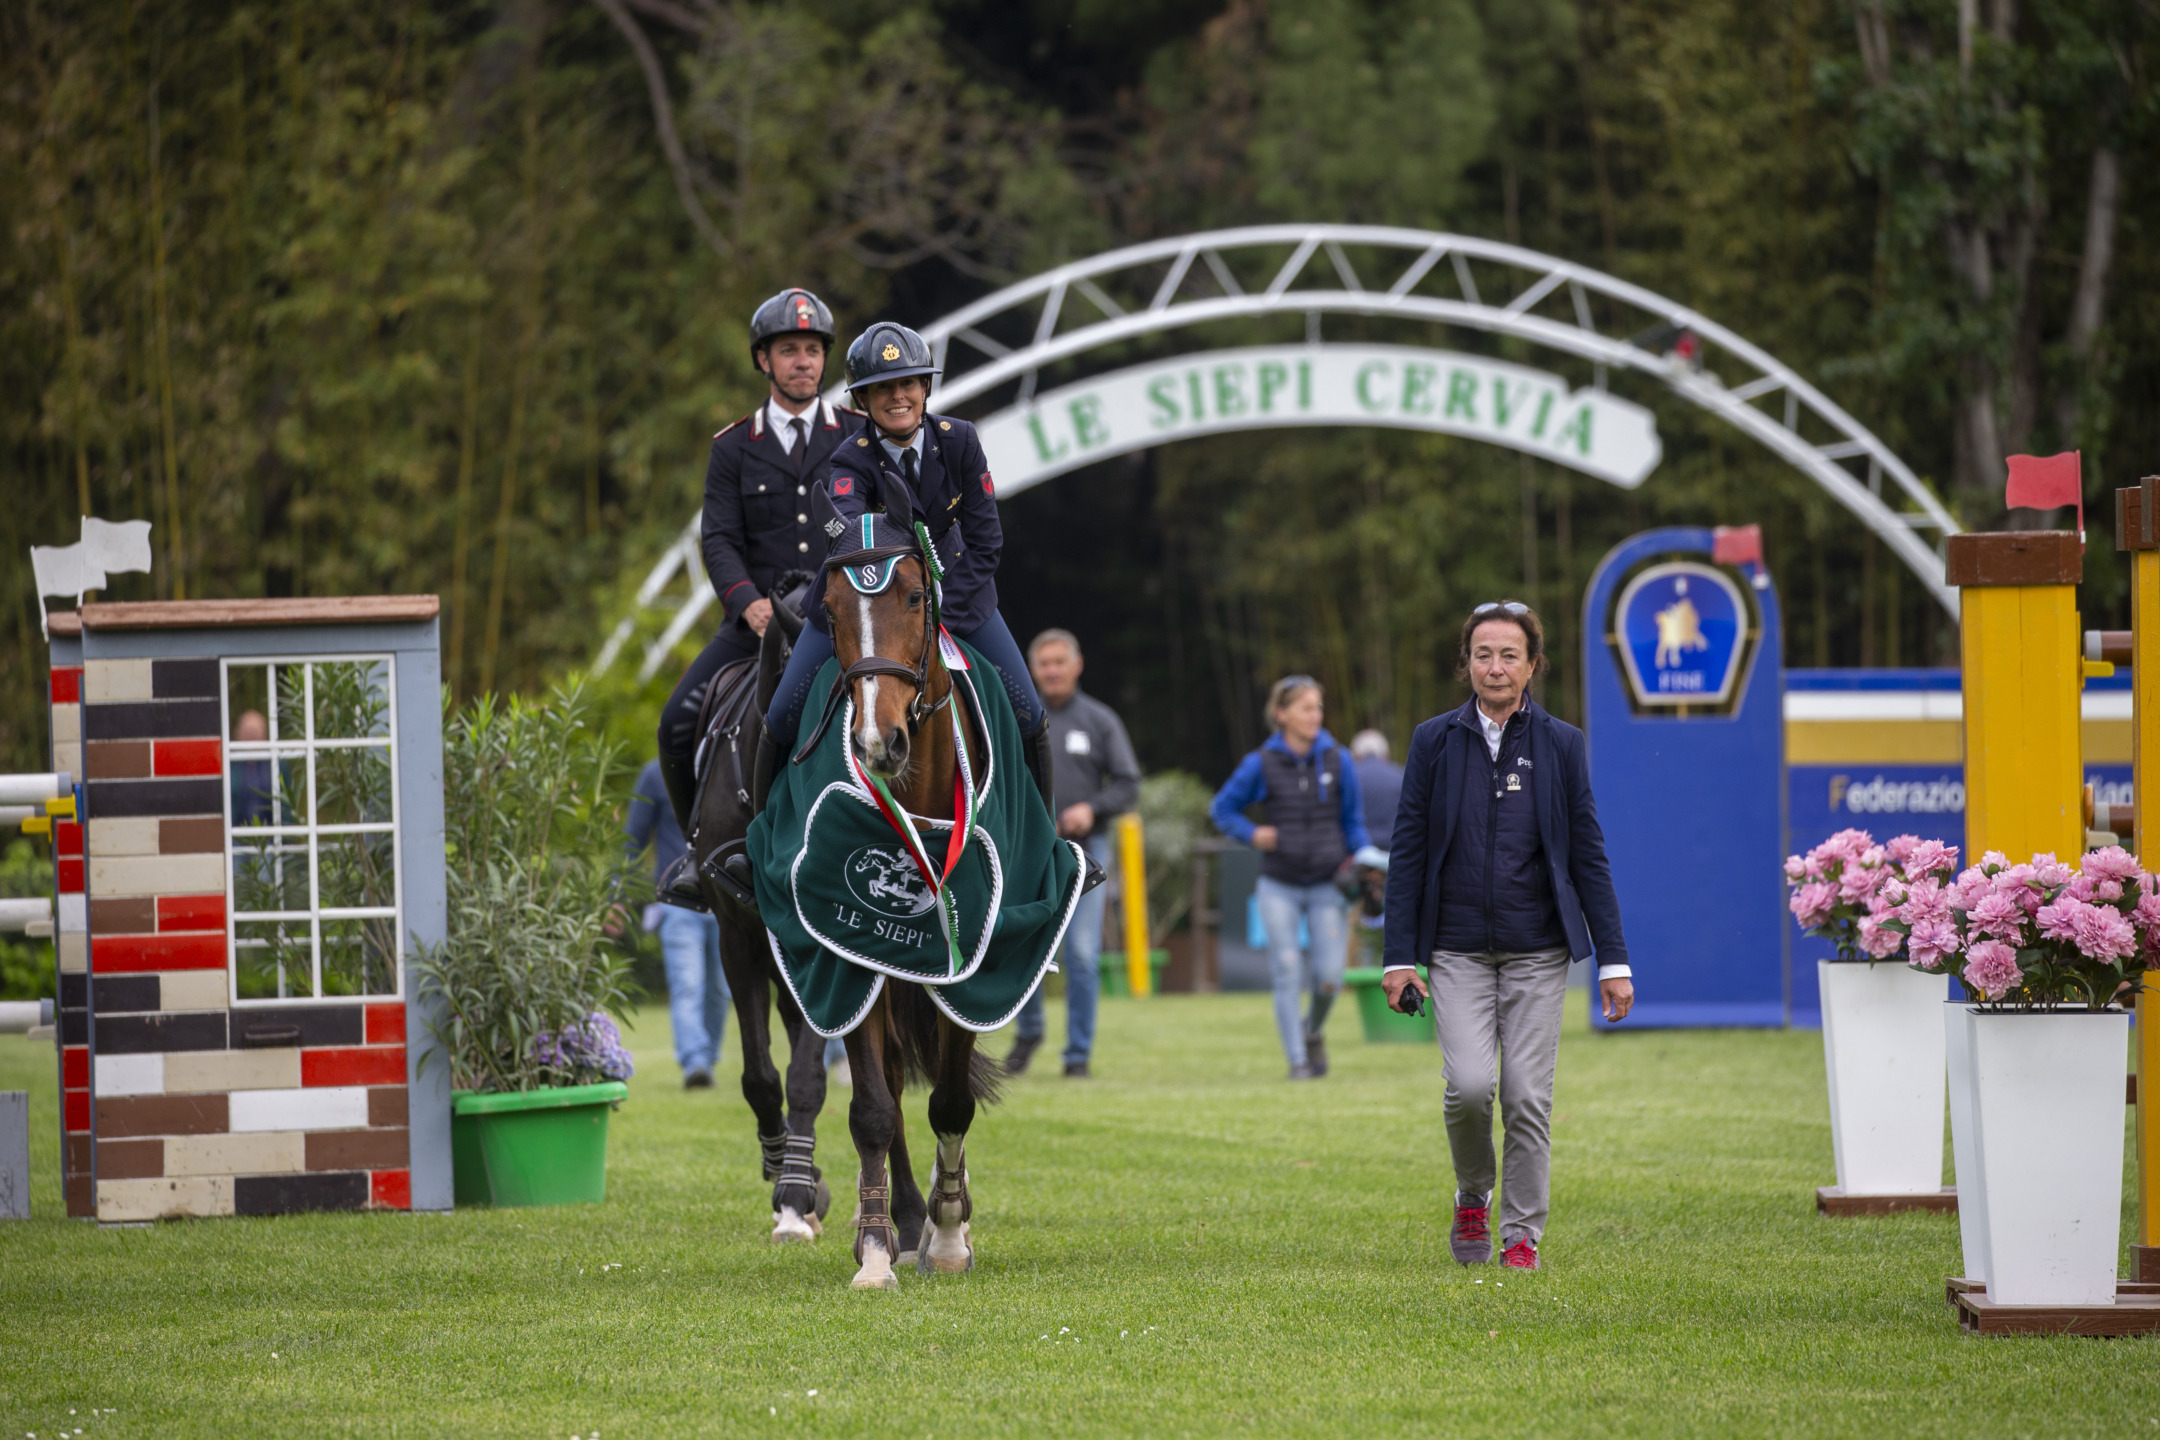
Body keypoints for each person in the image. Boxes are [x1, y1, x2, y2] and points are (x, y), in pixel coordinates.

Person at [1381, 600, 1634, 1273]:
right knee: (1467, 1086)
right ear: (1465, 663)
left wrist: (1615, 960)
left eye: (1509, 655)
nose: (1495, 667)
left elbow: (1588, 856)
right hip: (1454, 950)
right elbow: (1407, 852)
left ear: (1532, 665)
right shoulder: (1433, 740)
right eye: (1483, 654)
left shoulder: (1562, 744)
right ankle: (1473, 1194)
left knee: (1526, 1094)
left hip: (1538, 952)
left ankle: (1521, 1234)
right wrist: (1398, 958)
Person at [762, 320, 1056, 813]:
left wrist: (936, 612)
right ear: (862, 401)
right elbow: (853, 535)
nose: (896, 397)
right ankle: (758, 842)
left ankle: (1048, 842)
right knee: (781, 716)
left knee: (1029, 713)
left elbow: (986, 542)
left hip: (960, 596)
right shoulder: (849, 461)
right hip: (867, 604)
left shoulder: (960, 440)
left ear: (925, 388)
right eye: (881, 389)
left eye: (907, 384)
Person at [655, 288, 858, 904]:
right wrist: (746, 601)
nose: (803, 361)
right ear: (764, 361)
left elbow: (872, 528)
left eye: (813, 350)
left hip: (834, 623)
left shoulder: (857, 435)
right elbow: (716, 537)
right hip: (755, 624)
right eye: (789, 350)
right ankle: (697, 854)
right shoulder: (732, 446)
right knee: (675, 721)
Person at [1210, 676, 1368, 1080]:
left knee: (1330, 978)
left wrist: (1364, 862)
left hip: (1327, 883)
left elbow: (1353, 822)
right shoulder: (1260, 762)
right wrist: (1251, 834)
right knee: (1286, 969)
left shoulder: (1338, 758)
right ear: (1282, 714)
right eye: (1306, 708)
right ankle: (1297, 1062)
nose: (1315, 715)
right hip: (1278, 882)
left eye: (1318, 707)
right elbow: (1222, 809)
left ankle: (1311, 1031)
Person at [1006, 629, 1140, 1079]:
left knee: (1082, 954)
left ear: (1077, 665)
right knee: (1026, 948)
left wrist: (1092, 808)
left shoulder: (1099, 720)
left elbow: (1128, 784)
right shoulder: (1019, 716)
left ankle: (1078, 1054)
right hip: (1028, 851)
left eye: (1060, 662)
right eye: (1044, 663)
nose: (1052, 670)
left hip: (1086, 856)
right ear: (1033, 669)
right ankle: (1029, 1033)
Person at [624, 759, 733, 1087]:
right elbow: (634, 838)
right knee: (687, 984)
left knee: (720, 990)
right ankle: (695, 1063)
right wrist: (619, 895)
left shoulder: (728, 765)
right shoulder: (655, 774)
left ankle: (707, 1057)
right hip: (677, 902)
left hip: (724, 902)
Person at [1349, 729, 1404, 841]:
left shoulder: (1351, 777)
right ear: (1386, 753)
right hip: (1394, 845)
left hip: (1360, 848)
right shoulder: (1401, 775)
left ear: (1355, 754)